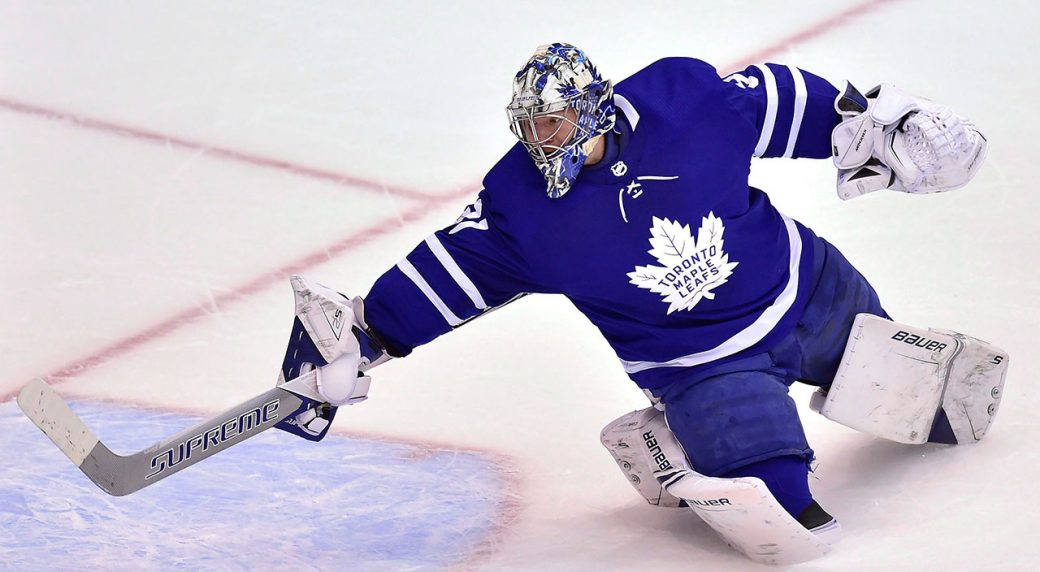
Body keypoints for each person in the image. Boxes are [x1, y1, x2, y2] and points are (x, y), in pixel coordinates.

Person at [271, 43, 1008, 565]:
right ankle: (677, 442)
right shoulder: (521, 209)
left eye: (550, 126)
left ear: (591, 112)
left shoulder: (683, 102)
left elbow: (795, 108)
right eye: (527, 129)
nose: (537, 143)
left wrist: (880, 127)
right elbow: (452, 272)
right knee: (787, 513)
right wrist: (366, 335)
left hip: (809, 291)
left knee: (929, 397)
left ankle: (778, 404)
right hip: (705, 371)